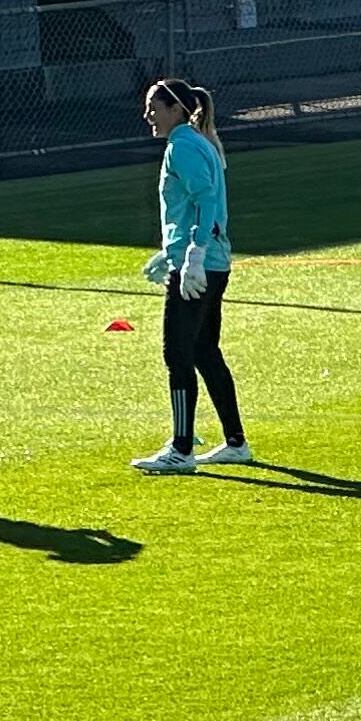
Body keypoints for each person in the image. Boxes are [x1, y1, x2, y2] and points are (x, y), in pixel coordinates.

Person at [129, 79, 251, 475]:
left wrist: (192, 257)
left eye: (154, 107)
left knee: (177, 354)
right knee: (203, 351)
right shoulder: (199, 143)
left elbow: (206, 201)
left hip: (199, 268)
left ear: (176, 109)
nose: (148, 115)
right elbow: (196, 205)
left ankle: (182, 448)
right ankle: (235, 442)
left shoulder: (182, 147)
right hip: (208, 263)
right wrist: (171, 251)